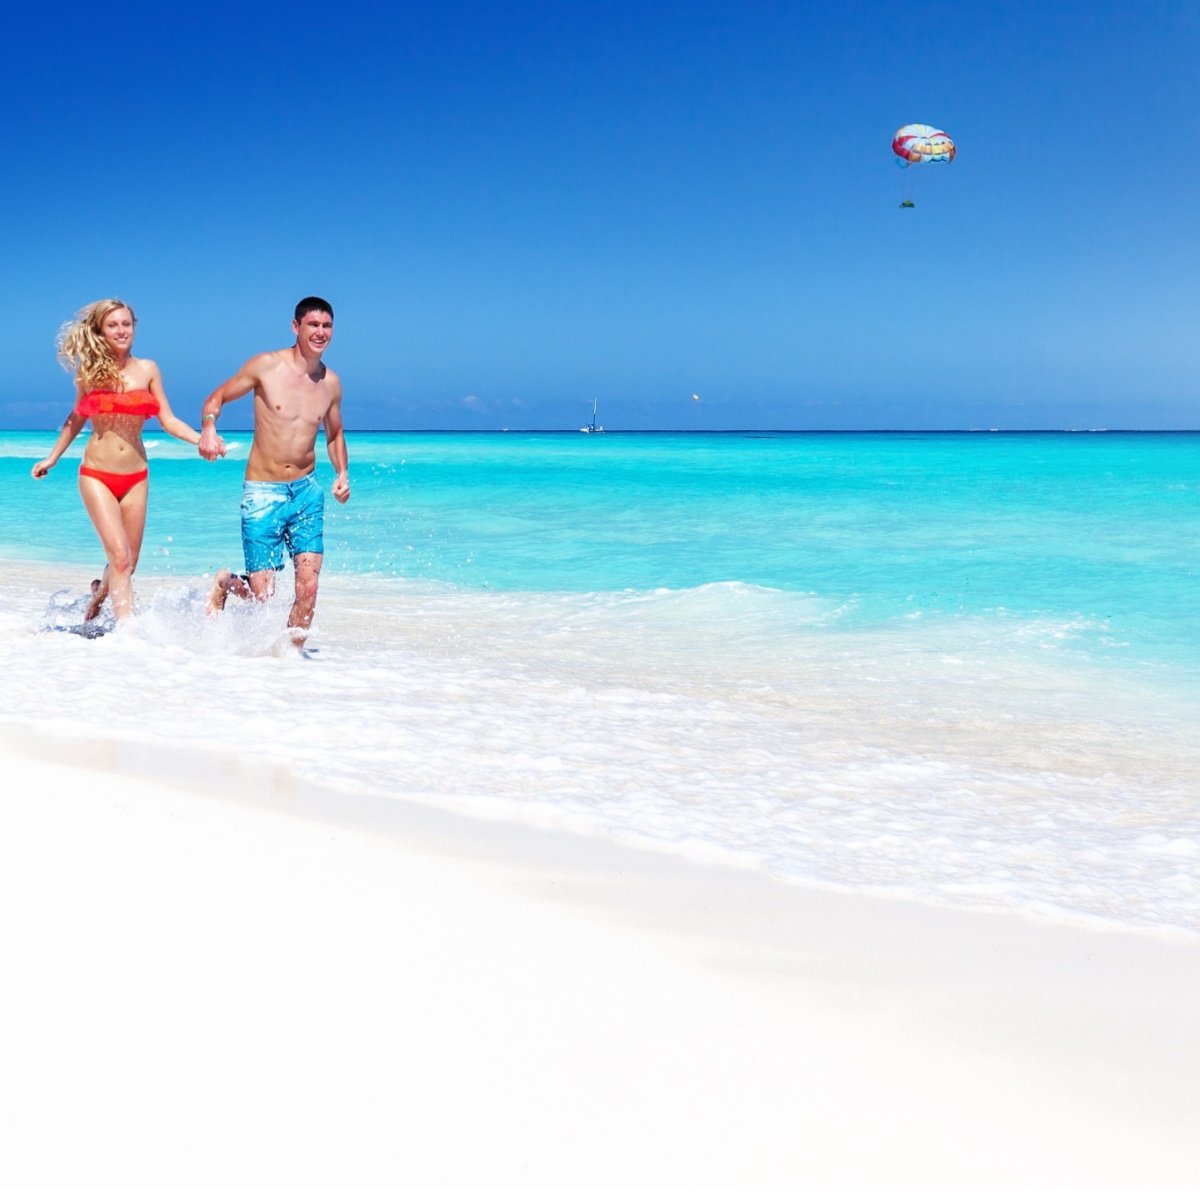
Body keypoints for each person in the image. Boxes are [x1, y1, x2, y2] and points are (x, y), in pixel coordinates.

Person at [31, 299, 203, 623]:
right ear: (101, 331)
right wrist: (52, 458)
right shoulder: (90, 371)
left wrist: (201, 440)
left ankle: (97, 595)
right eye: (113, 325)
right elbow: (75, 418)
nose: (121, 330)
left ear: (134, 327)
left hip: (137, 476)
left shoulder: (149, 369)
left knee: (128, 562)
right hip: (96, 475)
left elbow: (168, 419)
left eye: (126, 324)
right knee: (120, 558)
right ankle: (128, 634)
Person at [198, 296, 349, 642]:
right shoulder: (266, 366)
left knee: (308, 588)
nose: (320, 332)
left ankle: (290, 660)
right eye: (313, 325)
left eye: (326, 326)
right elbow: (215, 398)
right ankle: (225, 582)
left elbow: (335, 432)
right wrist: (209, 428)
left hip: (307, 492)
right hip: (263, 493)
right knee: (261, 599)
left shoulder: (331, 383)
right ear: (296, 327)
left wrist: (342, 473)